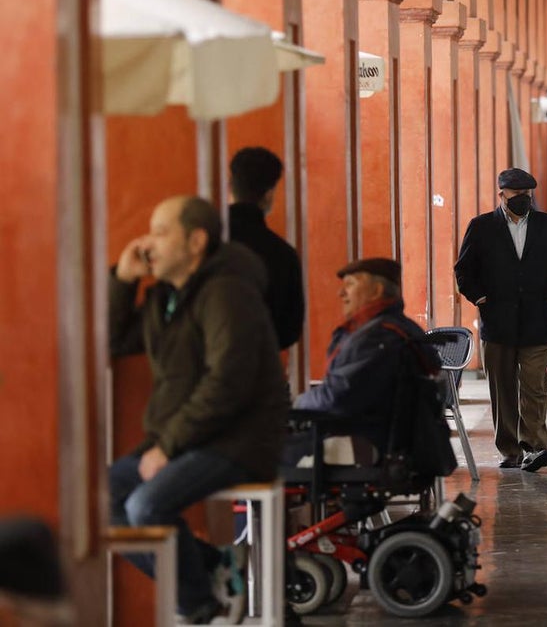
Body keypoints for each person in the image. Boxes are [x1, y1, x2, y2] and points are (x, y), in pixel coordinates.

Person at [108, 196, 288, 624]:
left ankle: (198, 607)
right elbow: (114, 341)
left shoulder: (227, 292)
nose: (149, 243)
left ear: (196, 241)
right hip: (187, 440)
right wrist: (122, 280)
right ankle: (211, 566)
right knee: (99, 500)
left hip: (238, 442)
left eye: (161, 231)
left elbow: (227, 383)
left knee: (145, 508)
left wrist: (167, 448)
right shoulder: (165, 299)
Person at [455, 168, 547, 473]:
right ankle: (510, 450)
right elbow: (464, 270)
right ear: (502, 195)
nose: (522, 200)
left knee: (535, 387)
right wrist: (480, 298)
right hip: (498, 323)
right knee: (503, 388)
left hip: (538, 321)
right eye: (516, 195)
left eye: (527, 195)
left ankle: (534, 447)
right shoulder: (481, 227)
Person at [291, 257, 438, 456]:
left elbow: (337, 397)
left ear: (376, 291)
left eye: (350, 285)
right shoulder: (403, 329)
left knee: (261, 456)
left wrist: (296, 404)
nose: (341, 293)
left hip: (367, 443)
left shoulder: (376, 337)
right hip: (389, 438)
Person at [227, 147, 305, 351]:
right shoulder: (283, 254)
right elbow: (290, 331)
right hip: (258, 371)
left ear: (230, 187)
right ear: (269, 194)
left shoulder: (207, 242)